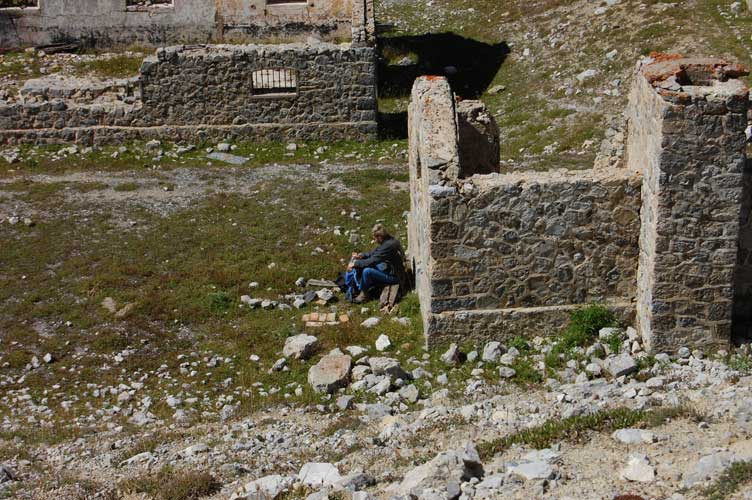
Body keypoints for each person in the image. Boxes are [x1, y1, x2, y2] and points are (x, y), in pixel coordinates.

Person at [347, 223, 408, 304]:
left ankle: (364, 295)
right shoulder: (389, 240)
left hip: (396, 277)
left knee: (367, 271)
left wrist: (355, 263)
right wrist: (362, 255)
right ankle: (364, 284)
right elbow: (376, 252)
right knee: (367, 262)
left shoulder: (388, 246)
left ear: (380, 237)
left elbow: (373, 260)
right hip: (391, 269)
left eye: (375, 238)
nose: (375, 241)